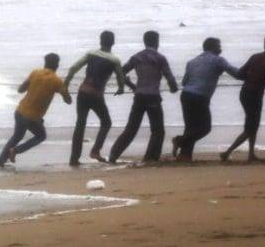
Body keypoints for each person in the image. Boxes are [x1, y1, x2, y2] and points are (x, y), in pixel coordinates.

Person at [107, 31, 179, 163]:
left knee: (131, 129)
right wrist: (174, 88)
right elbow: (169, 76)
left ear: (144, 41)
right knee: (158, 130)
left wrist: (132, 85)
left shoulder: (137, 57)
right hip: (153, 97)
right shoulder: (160, 58)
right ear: (157, 41)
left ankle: (113, 155)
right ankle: (151, 157)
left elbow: (121, 72)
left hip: (139, 96)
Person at [62, 30, 128, 166]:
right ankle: (95, 150)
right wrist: (121, 89)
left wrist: (66, 83)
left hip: (83, 92)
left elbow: (73, 68)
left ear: (100, 41)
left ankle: (74, 159)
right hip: (96, 96)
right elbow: (120, 78)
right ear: (113, 42)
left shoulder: (91, 53)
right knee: (106, 122)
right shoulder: (114, 60)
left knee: (80, 124)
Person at [0, 53, 72, 168]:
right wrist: (65, 88)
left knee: (17, 136)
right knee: (41, 136)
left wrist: (31, 85)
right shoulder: (57, 81)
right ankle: (15, 151)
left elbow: (20, 90)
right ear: (57, 65)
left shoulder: (35, 73)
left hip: (19, 111)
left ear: (45, 63)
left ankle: (0, 161)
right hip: (32, 117)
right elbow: (68, 100)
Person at [222, 33, 265, 162]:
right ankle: (227, 152)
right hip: (255, 95)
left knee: (253, 124)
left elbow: (240, 74)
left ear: (264, 44)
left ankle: (251, 154)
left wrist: (252, 78)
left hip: (244, 92)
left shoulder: (255, 57)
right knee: (251, 126)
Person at [174, 37, 239, 161]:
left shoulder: (192, 61)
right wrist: (249, 73)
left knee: (190, 127)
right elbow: (234, 73)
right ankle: (179, 140)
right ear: (212, 47)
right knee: (205, 128)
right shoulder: (218, 60)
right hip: (200, 96)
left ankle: (184, 156)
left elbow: (184, 82)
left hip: (186, 95)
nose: (221, 48)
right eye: (219, 46)